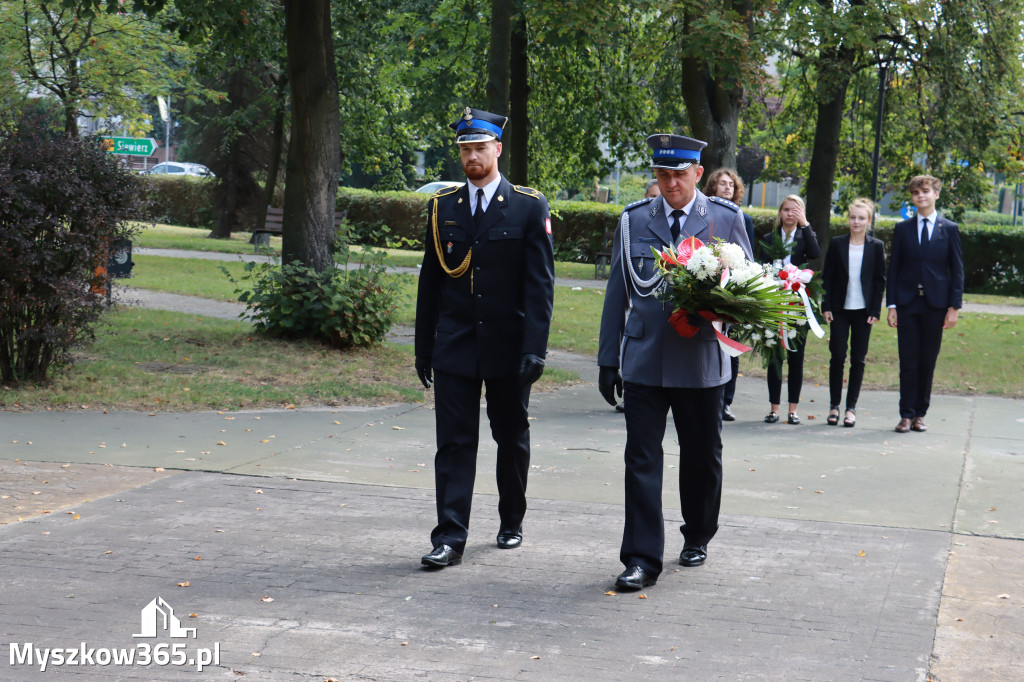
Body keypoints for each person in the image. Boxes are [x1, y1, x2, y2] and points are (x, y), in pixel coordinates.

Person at [597, 134, 753, 591]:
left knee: (702, 455)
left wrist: (732, 349)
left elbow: (745, 291)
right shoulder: (634, 220)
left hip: (700, 358)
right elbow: (617, 293)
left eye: (679, 175)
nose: (670, 184)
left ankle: (698, 531)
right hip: (644, 358)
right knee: (641, 458)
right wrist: (609, 359)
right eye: (662, 175)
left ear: (698, 173)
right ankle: (642, 558)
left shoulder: (724, 219)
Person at [414, 107, 555, 568]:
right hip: (454, 344)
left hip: (508, 346)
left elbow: (540, 286)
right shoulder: (443, 207)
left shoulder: (528, 205)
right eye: (465, 150)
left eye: (480, 148)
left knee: (510, 436)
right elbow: (430, 283)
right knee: (453, 442)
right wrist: (423, 347)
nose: (472, 157)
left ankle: (511, 518)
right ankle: (449, 537)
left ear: (497, 148)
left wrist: (536, 347)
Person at [886, 175, 964, 433]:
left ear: (936, 194)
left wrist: (954, 307)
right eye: (916, 192)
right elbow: (894, 269)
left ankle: (921, 413)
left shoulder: (949, 229)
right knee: (908, 360)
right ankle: (906, 415)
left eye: (926, 191)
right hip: (908, 304)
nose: (921, 196)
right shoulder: (903, 229)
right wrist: (892, 305)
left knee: (927, 360)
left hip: (936, 305)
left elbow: (957, 270)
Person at [821, 198, 886, 428]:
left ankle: (851, 408)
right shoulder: (838, 243)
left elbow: (879, 281)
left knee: (858, 359)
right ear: (848, 219)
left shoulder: (876, 246)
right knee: (837, 356)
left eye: (861, 218)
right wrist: (826, 305)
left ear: (868, 221)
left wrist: (875, 310)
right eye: (852, 217)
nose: (856, 222)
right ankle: (834, 406)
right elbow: (827, 276)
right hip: (839, 309)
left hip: (863, 311)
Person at [758, 194, 820, 425]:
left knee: (796, 358)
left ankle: (793, 410)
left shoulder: (805, 237)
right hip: (774, 303)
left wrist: (806, 224)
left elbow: (815, 254)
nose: (790, 214)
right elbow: (761, 269)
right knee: (774, 357)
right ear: (780, 213)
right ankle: (774, 408)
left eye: (795, 210)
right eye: (785, 209)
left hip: (797, 304)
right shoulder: (768, 238)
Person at [702, 168, 756, 422]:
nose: (726, 188)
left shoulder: (743, 219)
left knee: (729, 346)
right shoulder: (703, 213)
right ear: (712, 187)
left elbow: (748, 257)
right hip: (705, 286)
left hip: (731, 290)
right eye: (722, 184)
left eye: (731, 185)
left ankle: (726, 402)